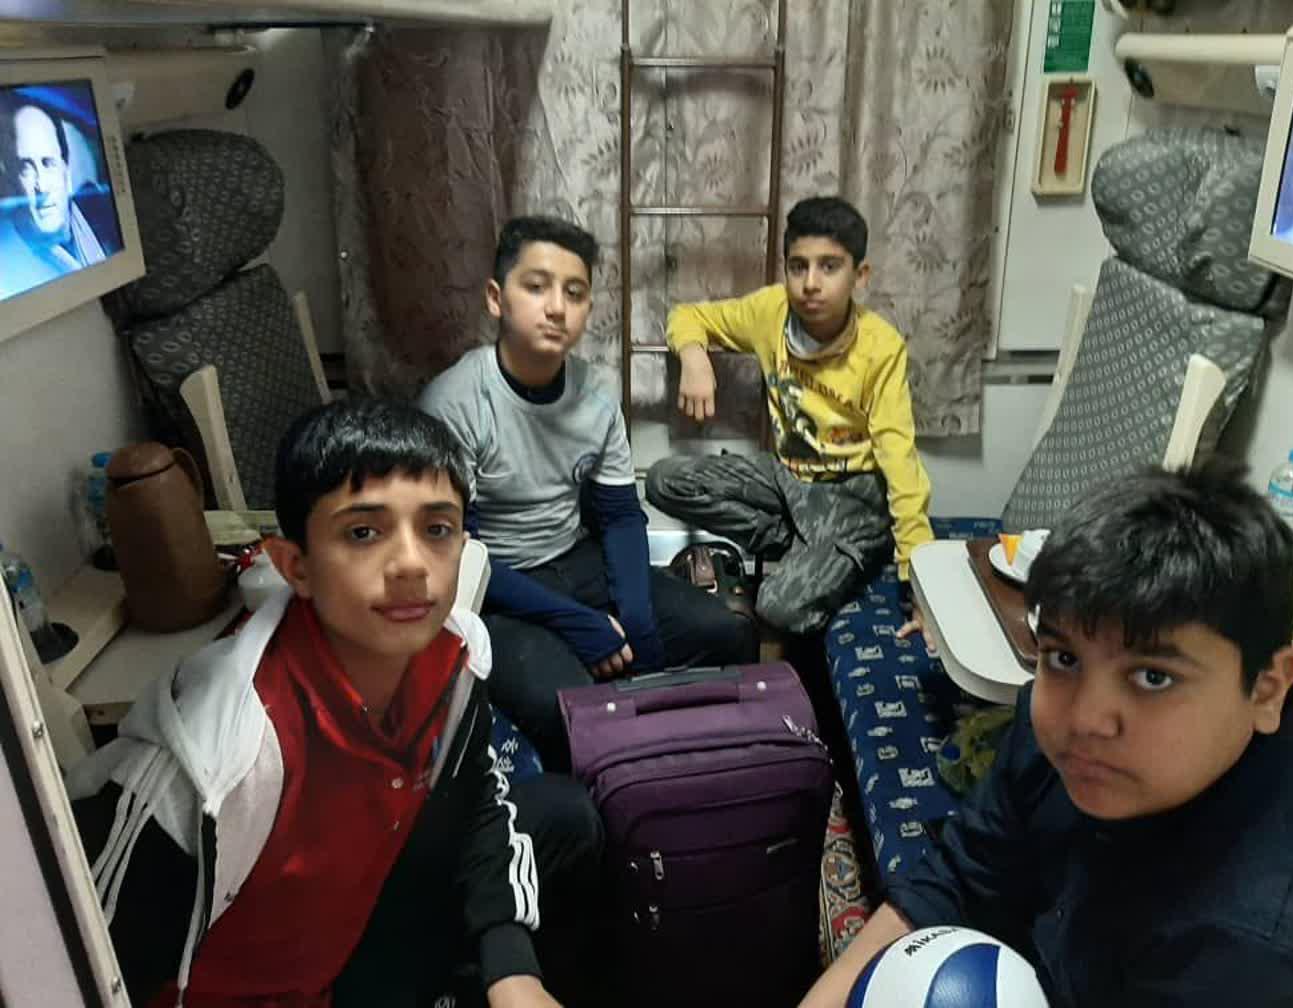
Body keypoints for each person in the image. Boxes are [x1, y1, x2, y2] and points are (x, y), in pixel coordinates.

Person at [65, 398, 603, 1008]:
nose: (410, 565)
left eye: (437, 529)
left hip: (353, 932)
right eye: (363, 532)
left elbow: (479, 797)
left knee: (564, 815)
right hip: (253, 987)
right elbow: (84, 966)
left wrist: (512, 971)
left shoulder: (453, 657)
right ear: (294, 566)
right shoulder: (217, 766)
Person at [799, 462, 1293, 1008]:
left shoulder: (1254, 949)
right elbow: (955, 879)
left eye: (1152, 677)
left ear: (1267, 691)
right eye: (1064, 657)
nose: (1086, 719)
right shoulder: (1053, 732)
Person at [419, 215, 757, 770]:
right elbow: (458, 553)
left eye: (574, 293)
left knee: (726, 633)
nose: (557, 307)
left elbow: (620, 516)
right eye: (537, 286)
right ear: (496, 299)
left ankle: (715, 778)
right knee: (569, 705)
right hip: (498, 582)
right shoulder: (455, 403)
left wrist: (636, 619)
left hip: (576, 558)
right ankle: (607, 805)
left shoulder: (596, 395)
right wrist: (579, 623)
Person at [644, 196, 934, 637]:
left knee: (777, 608)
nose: (810, 283)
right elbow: (688, 315)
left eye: (829, 267)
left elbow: (901, 461)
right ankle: (806, 543)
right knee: (663, 480)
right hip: (787, 476)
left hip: (851, 495)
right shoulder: (771, 311)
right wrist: (694, 356)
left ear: (860, 276)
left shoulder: (880, 347)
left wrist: (922, 584)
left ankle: (855, 545)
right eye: (798, 267)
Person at [0, 94, 115, 300]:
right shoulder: (7, 271)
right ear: (10, 180)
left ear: (66, 171)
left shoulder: (101, 214)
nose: (42, 186)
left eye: (48, 163)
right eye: (26, 168)